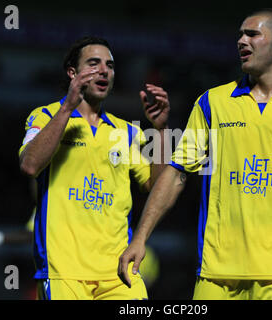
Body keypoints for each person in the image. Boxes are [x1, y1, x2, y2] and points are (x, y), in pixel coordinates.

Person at [118, 9, 272, 300]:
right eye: (239, 35)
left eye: (252, 34)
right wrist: (140, 236)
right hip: (216, 275)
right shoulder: (212, 103)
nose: (241, 41)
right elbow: (176, 175)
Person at [19, 36, 170, 300]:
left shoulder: (128, 131)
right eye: (93, 63)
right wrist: (68, 107)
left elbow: (155, 185)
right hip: (63, 272)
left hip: (119, 273)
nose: (104, 70)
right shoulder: (44, 116)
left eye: (109, 65)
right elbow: (30, 165)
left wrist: (161, 131)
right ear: (72, 73)